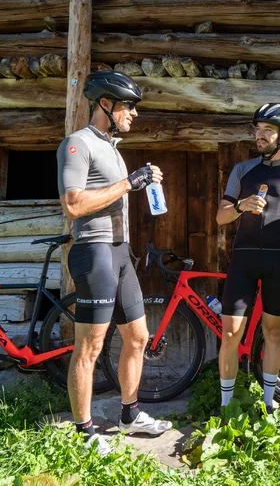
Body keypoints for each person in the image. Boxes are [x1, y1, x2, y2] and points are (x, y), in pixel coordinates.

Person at [56, 70, 172, 457]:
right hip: (94, 252)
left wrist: (140, 182)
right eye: (129, 105)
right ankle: (83, 430)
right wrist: (128, 183)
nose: (134, 113)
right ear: (105, 104)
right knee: (88, 348)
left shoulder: (113, 147)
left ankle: (129, 413)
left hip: (121, 253)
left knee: (138, 338)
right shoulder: (77, 144)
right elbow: (73, 205)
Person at [215, 103, 280, 414]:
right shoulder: (242, 170)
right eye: (257, 129)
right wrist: (241, 206)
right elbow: (220, 217)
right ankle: (226, 406)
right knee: (230, 333)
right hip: (243, 260)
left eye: (267, 130)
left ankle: (269, 402)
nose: (259, 135)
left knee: (273, 331)